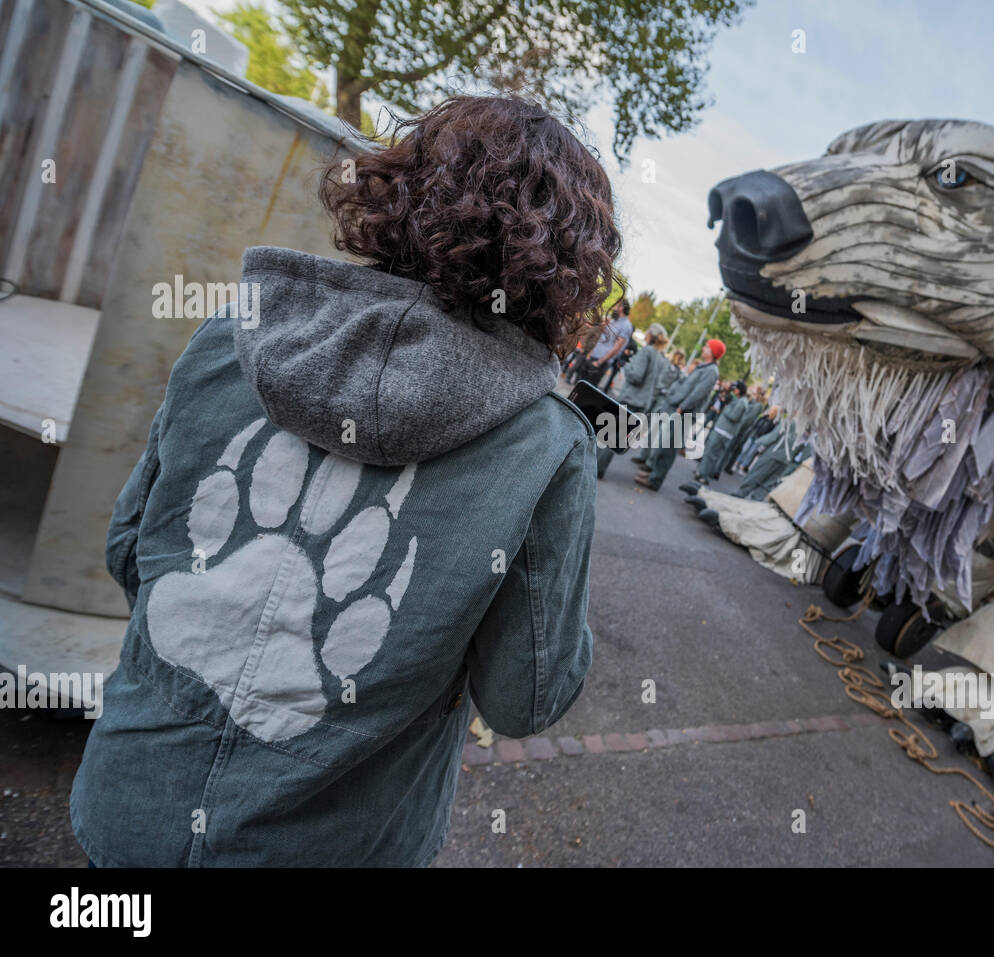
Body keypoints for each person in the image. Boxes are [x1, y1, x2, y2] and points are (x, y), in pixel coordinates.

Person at [69, 94, 621, 868]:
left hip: (130, 809)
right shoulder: (546, 449)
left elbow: (130, 548)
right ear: (567, 269)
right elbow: (522, 695)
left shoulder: (232, 335)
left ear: (398, 192)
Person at [635, 339, 724, 491]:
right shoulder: (706, 367)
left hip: (684, 413)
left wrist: (682, 407)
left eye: (707, 347)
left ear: (713, 352)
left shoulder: (711, 371)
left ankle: (655, 480)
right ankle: (653, 474)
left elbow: (698, 393)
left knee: (669, 447)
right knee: (664, 444)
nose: (703, 348)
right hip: (679, 409)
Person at [596, 323, 669, 479]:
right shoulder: (659, 357)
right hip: (642, 401)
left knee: (610, 434)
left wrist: (626, 366)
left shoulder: (647, 352)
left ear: (651, 335)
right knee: (619, 437)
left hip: (631, 398)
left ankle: (596, 467)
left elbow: (636, 376)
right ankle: (600, 467)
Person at [631, 348, 686, 466]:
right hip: (653, 393)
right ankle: (638, 440)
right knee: (645, 417)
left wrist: (665, 390)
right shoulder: (666, 363)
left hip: (663, 398)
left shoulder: (678, 371)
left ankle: (644, 456)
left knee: (654, 425)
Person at [737, 416, 808, 500]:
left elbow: (772, 437)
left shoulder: (788, 422)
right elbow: (801, 449)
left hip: (772, 454)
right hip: (785, 461)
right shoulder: (807, 431)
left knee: (754, 477)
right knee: (767, 485)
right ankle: (754, 502)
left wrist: (758, 443)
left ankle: (737, 496)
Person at [695, 380, 749, 483]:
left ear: (740, 390)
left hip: (724, 432)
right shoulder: (739, 400)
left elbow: (734, 416)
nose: (734, 390)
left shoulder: (742, 402)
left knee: (712, 454)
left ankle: (704, 476)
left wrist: (725, 408)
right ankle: (701, 472)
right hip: (722, 430)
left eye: (736, 389)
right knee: (709, 452)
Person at [574, 299, 632, 386]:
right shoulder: (613, 321)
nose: (613, 308)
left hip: (601, 362)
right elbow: (601, 338)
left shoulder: (626, 326)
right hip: (593, 356)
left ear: (621, 308)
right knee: (579, 385)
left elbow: (617, 348)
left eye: (615, 306)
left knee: (586, 390)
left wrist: (599, 362)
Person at [722, 384, 766, 474]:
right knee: (732, 446)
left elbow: (747, 418)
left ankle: (727, 466)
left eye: (754, 389)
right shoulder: (751, 401)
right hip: (741, 428)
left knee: (735, 447)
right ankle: (724, 464)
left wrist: (738, 426)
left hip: (743, 430)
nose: (752, 390)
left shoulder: (758, 405)